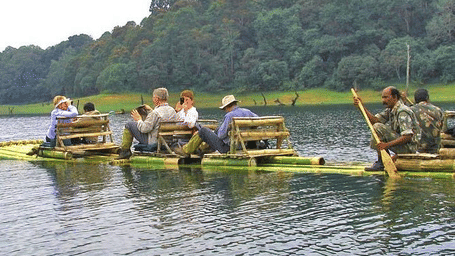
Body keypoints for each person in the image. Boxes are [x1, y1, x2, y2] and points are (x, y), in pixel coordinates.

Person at [353, 86, 421, 171]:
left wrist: (386, 145)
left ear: (395, 97)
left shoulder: (402, 111)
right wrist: (361, 107)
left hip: (410, 149)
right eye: (382, 97)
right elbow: (375, 121)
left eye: (386, 97)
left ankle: (382, 162)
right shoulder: (390, 110)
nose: (383, 101)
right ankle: (383, 160)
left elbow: (407, 136)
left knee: (378, 127)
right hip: (403, 146)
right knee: (376, 126)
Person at [174, 95, 258, 156]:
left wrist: (214, 133)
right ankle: (201, 148)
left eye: (225, 109)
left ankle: (185, 150)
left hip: (229, 148)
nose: (225, 111)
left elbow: (221, 136)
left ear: (227, 107)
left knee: (203, 131)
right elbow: (257, 120)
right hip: (244, 145)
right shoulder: (247, 112)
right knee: (217, 130)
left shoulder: (229, 116)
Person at [117, 87, 177, 159]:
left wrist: (138, 119)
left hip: (153, 142)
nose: (153, 99)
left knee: (129, 125)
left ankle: (125, 151)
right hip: (167, 141)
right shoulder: (172, 111)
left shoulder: (155, 113)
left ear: (157, 99)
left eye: (153, 97)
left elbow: (144, 129)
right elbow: (159, 117)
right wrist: (150, 110)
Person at [411, 88, 443, 154]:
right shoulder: (437, 109)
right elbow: (442, 127)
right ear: (427, 98)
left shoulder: (411, 110)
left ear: (415, 99)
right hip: (435, 146)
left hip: (418, 147)